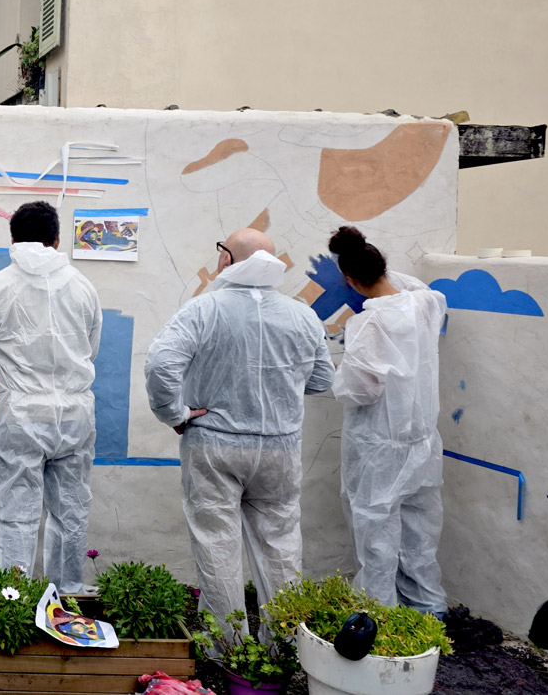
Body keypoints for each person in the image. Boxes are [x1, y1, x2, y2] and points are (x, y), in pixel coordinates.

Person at [144, 228, 333, 631]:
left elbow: (161, 364)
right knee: (281, 546)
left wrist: (174, 413)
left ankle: (226, 646)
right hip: (280, 448)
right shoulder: (302, 315)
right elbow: (321, 379)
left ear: (227, 259)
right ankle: (284, 643)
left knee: (216, 545)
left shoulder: (203, 310)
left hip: (215, 445)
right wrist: (282, 388)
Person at [0, 201, 103, 594]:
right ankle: (67, 595)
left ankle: (12, 601)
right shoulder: (84, 286)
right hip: (75, 412)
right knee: (70, 510)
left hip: (20, 413)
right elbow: (90, 349)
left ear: (12, 239)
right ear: (57, 239)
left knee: (13, 512)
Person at [328, 226, 447, 615]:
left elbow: (361, 390)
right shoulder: (426, 304)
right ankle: (429, 608)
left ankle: (378, 615)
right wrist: (370, 265)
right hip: (422, 439)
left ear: (350, 279)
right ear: (382, 268)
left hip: (378, 444)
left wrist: (338, 372)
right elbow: (409, 285)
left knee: (375, 533)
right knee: (419, 531)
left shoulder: (368, 324)